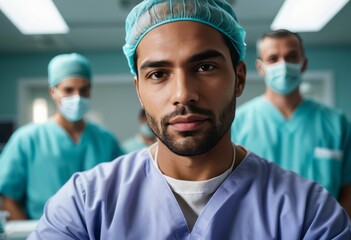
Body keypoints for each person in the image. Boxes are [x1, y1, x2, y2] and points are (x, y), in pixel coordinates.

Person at [29, 1, 351, 239]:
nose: (183, 94)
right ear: (139, 91)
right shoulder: (84, 207)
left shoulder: (310, 215)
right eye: (158, 74)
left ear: (239, 78)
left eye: (205, 67)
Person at [231, 29, 351, 218]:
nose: (283, 65)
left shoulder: (336, 123)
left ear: (303, 63)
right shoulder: (238, 123)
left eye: (291, 56)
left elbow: (348, 191)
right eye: (273, 58)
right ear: (261, 67)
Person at [0, 53, 125, 220]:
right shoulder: (27, 139)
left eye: (84, 90)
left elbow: (122, 191)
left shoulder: (105, 139)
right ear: (53, 91)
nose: (77, 97)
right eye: (68, 90)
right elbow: (8, 199)